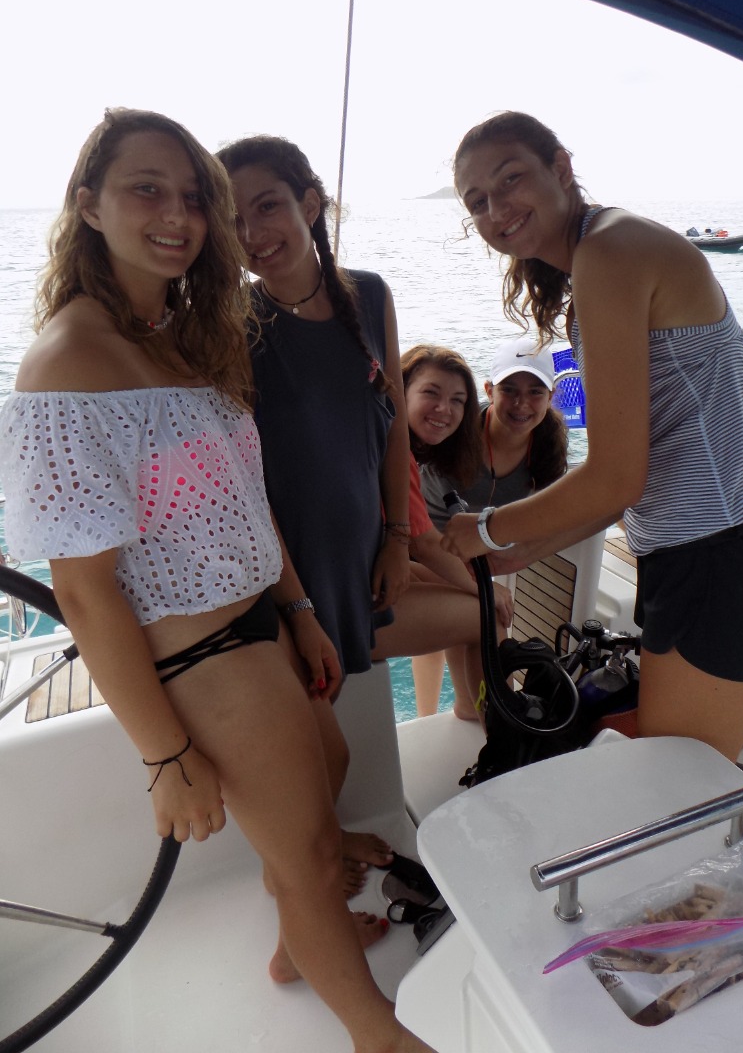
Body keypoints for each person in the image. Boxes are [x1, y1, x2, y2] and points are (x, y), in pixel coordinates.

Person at [0, 108, 433, 1053]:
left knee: (331, 774)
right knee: (311, 854)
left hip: (261, 623)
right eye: (146, 189)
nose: (178, 215)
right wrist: (164, 756)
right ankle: (378, 1034)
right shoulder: (68, 363)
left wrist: (299, 611)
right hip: (200, 652)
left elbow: (245, 494)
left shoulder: (184, 336)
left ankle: (294, 948)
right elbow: (82, 592)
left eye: (195, 197)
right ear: (88, 205)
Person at [441, 111, 743, 762]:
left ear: (561, 167)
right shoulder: (601, 253)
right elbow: (636, 480)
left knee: (680, 788)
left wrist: (489, 528)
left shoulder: (610, 252)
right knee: (688, 778)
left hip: (722, 561)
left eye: (510, 179)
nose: (496, 209)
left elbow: (615, 477)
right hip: (717, 555)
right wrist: (528, 550)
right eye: (477, 202)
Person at [217, 135, 410, 894]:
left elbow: (393, 423)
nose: (253, 233)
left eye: (267, 206)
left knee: (328, 721)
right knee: (317, 751)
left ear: (310, 202)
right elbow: (241, 483)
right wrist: (295, 608)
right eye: (233, 220)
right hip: (285, 568)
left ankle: (319, 852)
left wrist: (398, 537)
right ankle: (298, 890)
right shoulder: (233, 323)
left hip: (358, 552)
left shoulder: (372, 296)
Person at [378, 344, 513, 718]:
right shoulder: (392, 448)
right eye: (431, 393)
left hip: (348, 583)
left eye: (457, 400)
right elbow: (425, 544)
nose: (445, 409)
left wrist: (474, 585)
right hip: (345, 608)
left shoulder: (384, 438)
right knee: (488, 616)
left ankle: (471, 706)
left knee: (462, 589)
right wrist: (488, 590)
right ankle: (505, 733)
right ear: (400, 391)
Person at [421, 333, 568, 530]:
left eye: (535, 392)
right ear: (489, 391)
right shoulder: (456, 427)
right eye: (509, 390)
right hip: (429, 537)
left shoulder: (550, 444)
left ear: (550, 397)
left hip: (499, 543)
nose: (521, 403)